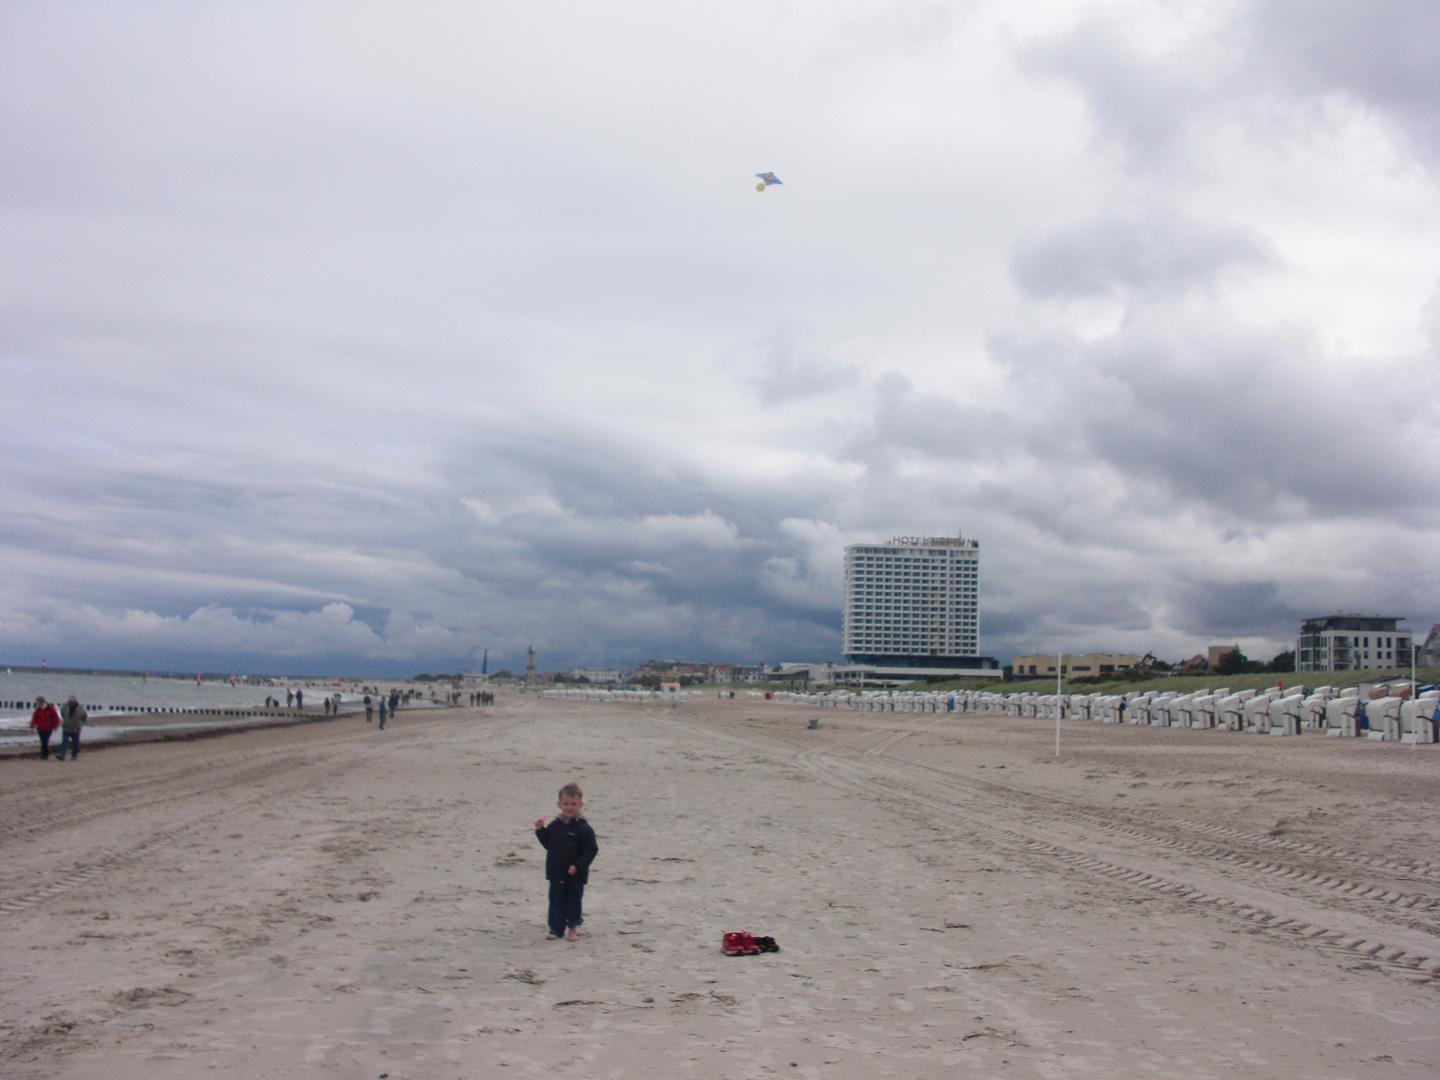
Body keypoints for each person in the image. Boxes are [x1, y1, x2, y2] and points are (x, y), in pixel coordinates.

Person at [533, 783, 598, 941]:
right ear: (559, 805)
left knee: (573, 902)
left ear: (580, 805)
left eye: (573, 804)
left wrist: (578, 865)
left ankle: (573, 929)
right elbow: (549, 845)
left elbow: (591, 850)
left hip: (575, 875)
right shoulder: (555, 826)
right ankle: (556, 929)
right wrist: (541, 830)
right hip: (556, 872)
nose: (570, 807)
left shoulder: (584, 828)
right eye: (566, 804)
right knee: (556, 901)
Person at [56, 696, 87, 760]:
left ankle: (74, 755)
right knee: (64, 741)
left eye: (72, 701)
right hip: (66, 727)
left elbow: (84, 717)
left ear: (75, 701)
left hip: (76, 728)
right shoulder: (65, 707)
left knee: (75, 743)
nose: (70, 702)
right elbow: (63, 714)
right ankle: (61, 755)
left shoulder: (80, 709)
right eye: (70, 701)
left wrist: (79, 724)